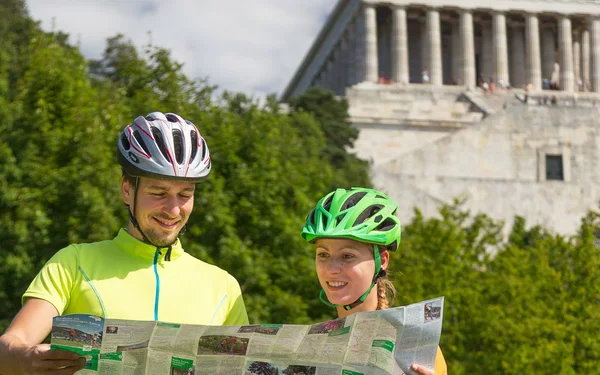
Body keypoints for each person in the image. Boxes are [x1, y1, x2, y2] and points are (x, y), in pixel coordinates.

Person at [0, 112, 249, 375]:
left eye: (185, 194)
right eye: (158, 193)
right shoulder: (73, 263)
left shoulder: (223, 286)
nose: (174, 210)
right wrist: (26, 358)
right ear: (127, 189)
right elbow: (9, 347)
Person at [301, 188, 448, 375]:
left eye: (347, 256)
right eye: (323, 254)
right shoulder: (313, 346)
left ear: (383, 261)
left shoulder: (417, 351)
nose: (331, 269)